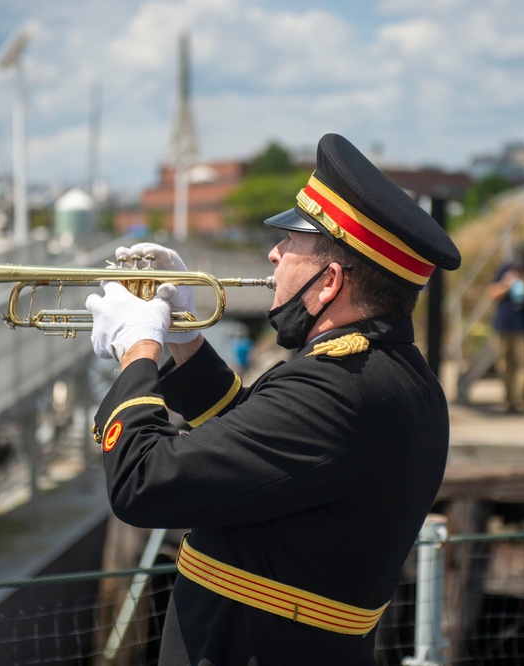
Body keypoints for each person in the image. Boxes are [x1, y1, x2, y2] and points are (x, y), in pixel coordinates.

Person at [83, 133, 461, 664]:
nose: (273, 254)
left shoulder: (337, 390)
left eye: (290, 243)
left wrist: (137, 348)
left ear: (329, 282)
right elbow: (260, 445)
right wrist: (185, 338)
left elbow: (142, 482)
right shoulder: (393, 376)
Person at [487, 242, 524, 413]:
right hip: (504, 326)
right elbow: (492, 293)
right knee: (504, 365)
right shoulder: (505, 269)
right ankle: (508, 400)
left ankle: (521, 401)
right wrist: (507, 283)